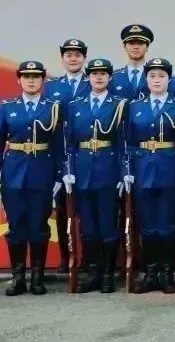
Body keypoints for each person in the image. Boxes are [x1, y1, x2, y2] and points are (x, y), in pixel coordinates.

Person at [63, 58, 128, 293]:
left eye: (103, 74)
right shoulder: (75, 105)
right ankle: (93, 273)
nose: (98, 77)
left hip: (108, 170)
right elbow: (69, 143)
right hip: (82, 171)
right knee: (88, 225)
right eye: (94, 74)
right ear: (88, 77)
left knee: (108, 223)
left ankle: (108, 274)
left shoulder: (119, 104)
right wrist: (68, 171)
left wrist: (123, 173)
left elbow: (124, 142)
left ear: (110, 77)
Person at [124, 57, 175, 294]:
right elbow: (128, 142)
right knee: (148, 224)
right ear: (146, 79)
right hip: (142, 170)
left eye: (161, 76)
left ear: (169, 79)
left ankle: (167, 273)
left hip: (170, 170)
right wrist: (128, 171)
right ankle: (150, 273)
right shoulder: (134, 107)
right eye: (152, 76)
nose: (157, 80)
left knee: (168, 225)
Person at [0, 61, 62, 296]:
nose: (31, 80)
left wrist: (58, 175)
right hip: (13, 173)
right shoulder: (7, 108)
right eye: (26, 77)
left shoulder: (52, 108)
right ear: (19, 80)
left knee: (38, 226)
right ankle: (18, 278)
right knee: (16, 226)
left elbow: (59, 145)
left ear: (43, 80)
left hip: (42, 173)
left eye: (36, 77)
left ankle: (37, 277)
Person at [43, 38, 89, 273]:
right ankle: (66, 256)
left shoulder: (93, 82)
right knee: (62, 209)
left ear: (84, 58)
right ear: (62, 58)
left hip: (86, 153)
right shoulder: (52, 87)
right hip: (61, 154)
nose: (73, 59)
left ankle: (88, 258)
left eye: (78, 55)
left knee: (87, 209)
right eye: (69, 55)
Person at [110, 24, 154, 100]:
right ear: (125, 47)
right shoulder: (113, 78)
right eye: (131, 43)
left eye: (140, 43)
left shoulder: (157, 76)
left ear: (147, 47)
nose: (136, 47)